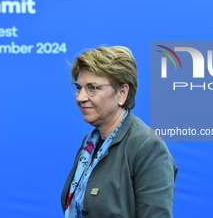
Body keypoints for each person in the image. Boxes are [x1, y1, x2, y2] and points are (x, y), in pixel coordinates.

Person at [61, 46, 177, 218]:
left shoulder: (147, 147)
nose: (80, 97)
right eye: (79, 87)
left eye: (92, 88)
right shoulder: (90, 143)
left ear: (122, 93)